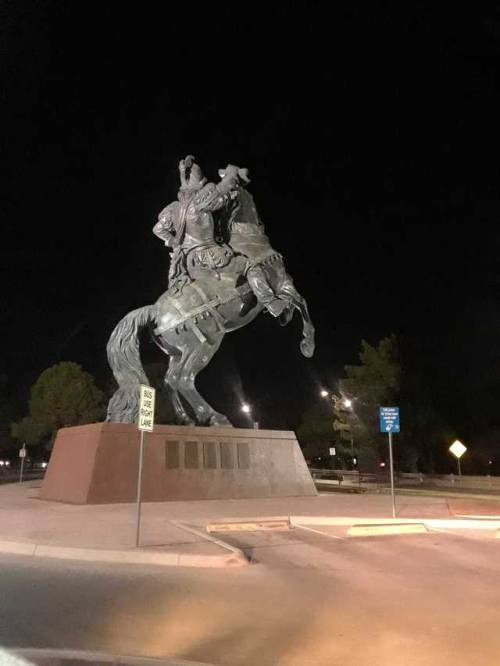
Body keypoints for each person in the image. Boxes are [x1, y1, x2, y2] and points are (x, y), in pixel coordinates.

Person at [153, 156, 247, 291]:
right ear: (200, 186)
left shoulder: (173, 208)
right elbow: (221, 192)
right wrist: (231, 180)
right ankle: (268, 300)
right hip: (208, 254)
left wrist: (175, 243)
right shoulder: (200, 203)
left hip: (186, 259)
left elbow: (157, 229)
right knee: (247, 266)